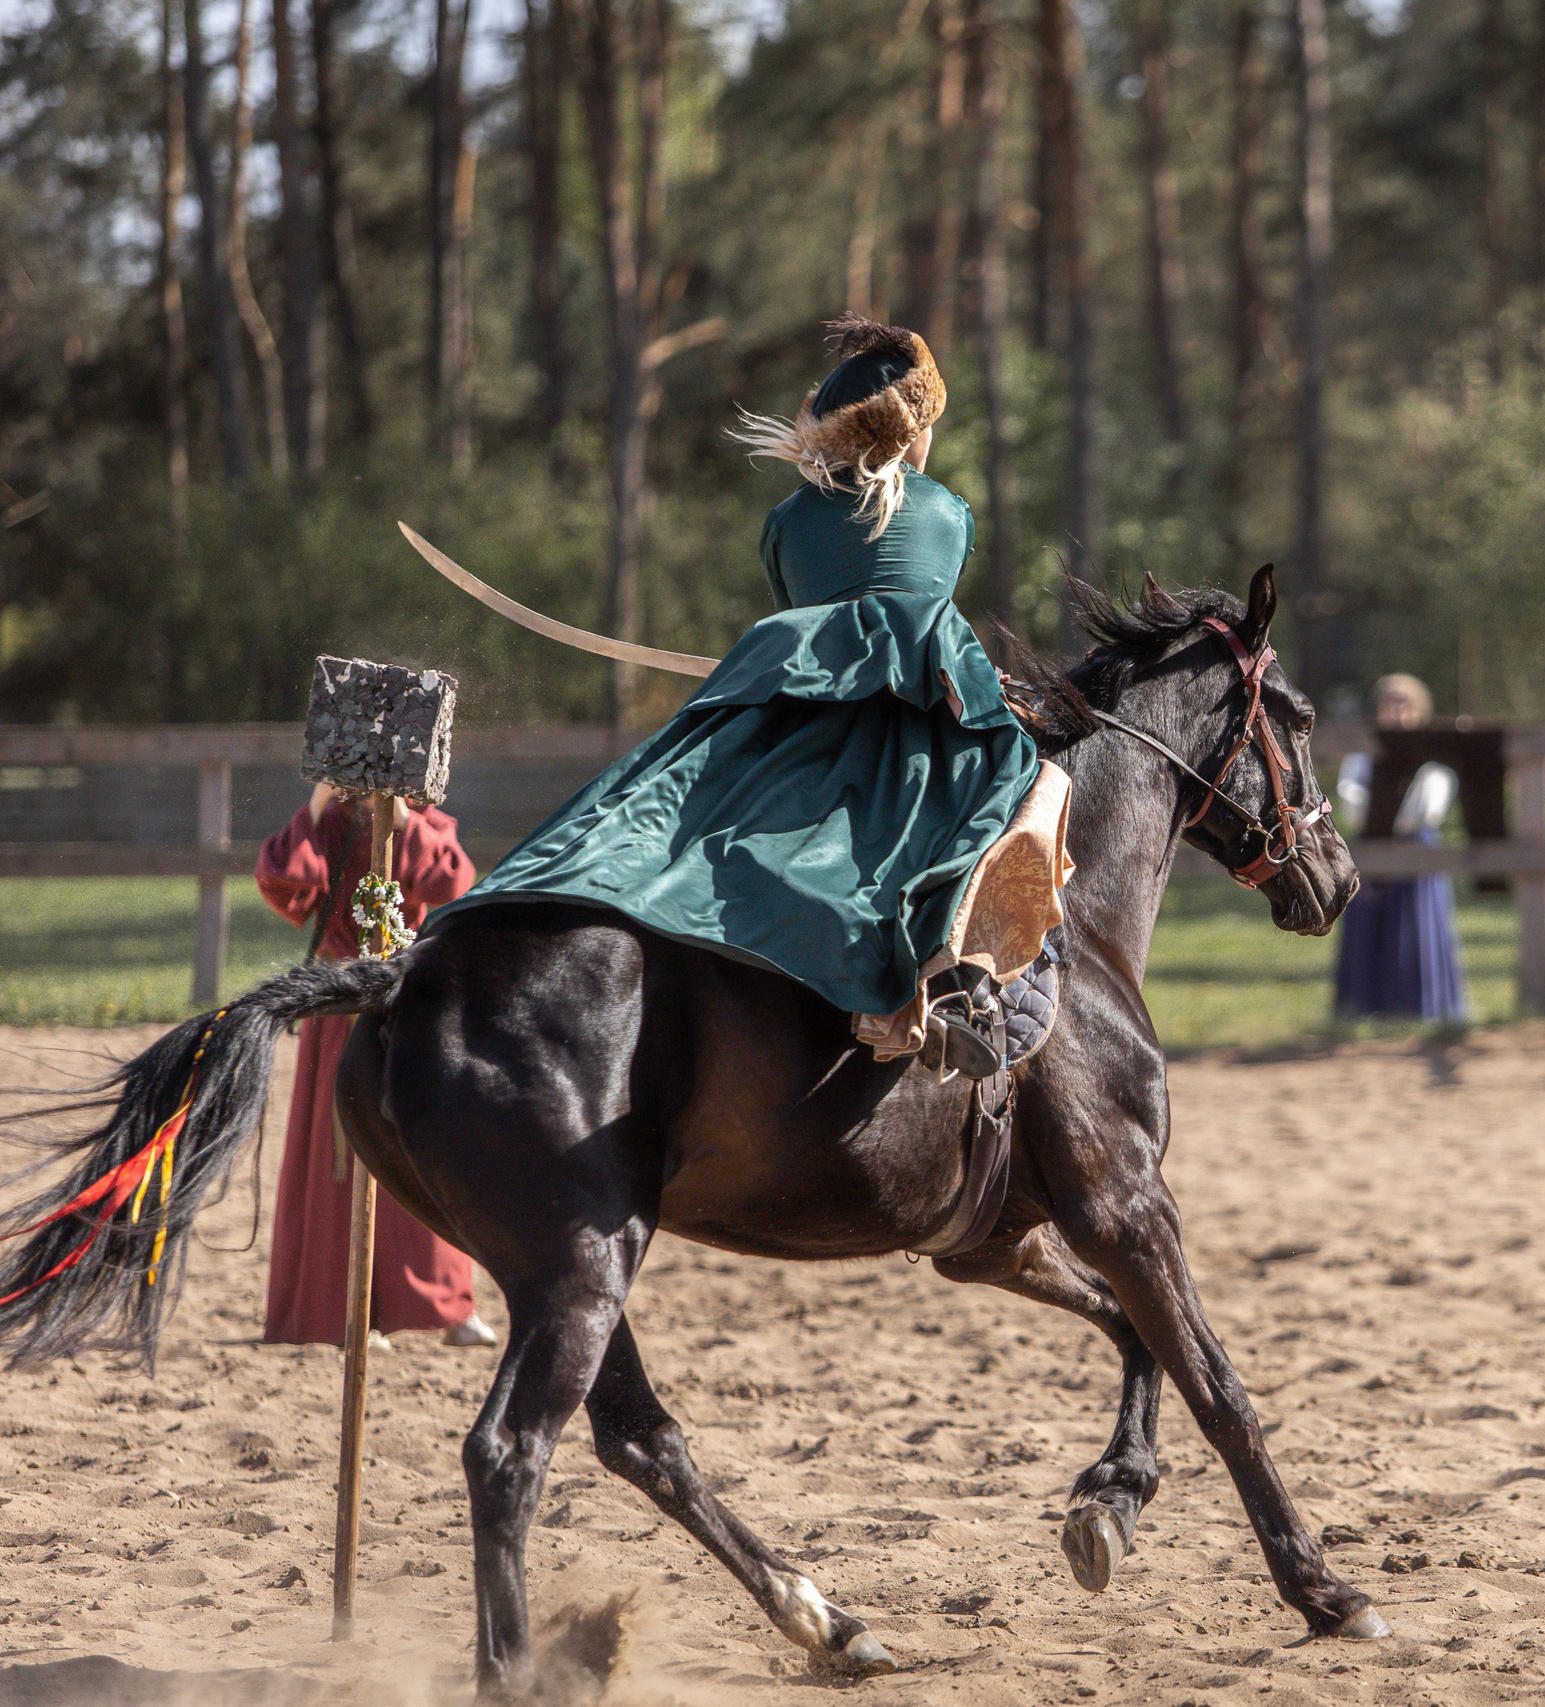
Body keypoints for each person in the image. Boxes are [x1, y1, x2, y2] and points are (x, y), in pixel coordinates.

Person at [432, 317, 1070, 1077]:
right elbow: (922, 617)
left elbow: (802, 614)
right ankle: (967, 986)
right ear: (910, 430)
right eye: (929, 423)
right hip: (909, 737)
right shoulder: (946, 512)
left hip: (802, 723)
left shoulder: (786, 523)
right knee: (1030, 791)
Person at [255, 783, 493, 1348]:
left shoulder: (426, 821)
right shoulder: (329, 824)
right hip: (340, 1005)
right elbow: (283, 886)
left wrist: (406, 821)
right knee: (338, 1159)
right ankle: (348, 1314)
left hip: (412, 1001)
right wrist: (315, 806)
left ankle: (446, 1305)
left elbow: (450, 883)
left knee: (424, 1149)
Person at [1331, 674, 1468, 1022]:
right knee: (1369, 926)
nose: (1396, 712)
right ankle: (1365, 1005)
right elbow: (1351, 799)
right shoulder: (1365, 752)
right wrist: (1382, 813)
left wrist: (1388, 812)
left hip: (1416, 848)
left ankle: (1424, 1007)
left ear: (1418, 711)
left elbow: (1429, 805)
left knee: (1416, 927)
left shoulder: (1430, 756)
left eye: (1404, 705)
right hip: (1372, 846)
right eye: (1389, 705)